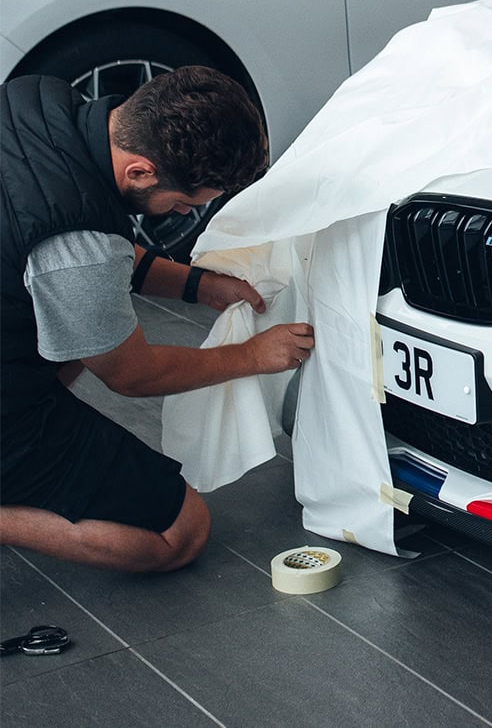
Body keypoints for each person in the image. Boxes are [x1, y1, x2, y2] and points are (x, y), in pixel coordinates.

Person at [0, 66, 315, 572]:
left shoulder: (35, 103)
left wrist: (198, 285)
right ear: (141, 172)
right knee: (179, 532)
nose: (180, 214)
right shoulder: (79, 244)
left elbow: (83, 248)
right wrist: (252, 355)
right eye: (184, 203)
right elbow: (131, 375)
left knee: (82, 325)